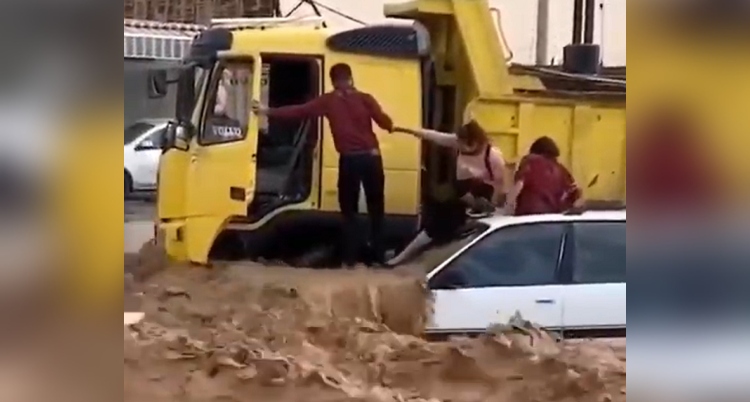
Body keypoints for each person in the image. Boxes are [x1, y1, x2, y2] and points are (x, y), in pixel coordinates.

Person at [252, 63, 394, 267]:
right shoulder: (365, 98)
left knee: (349, 212)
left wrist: (268, 111)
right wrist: (390, 125)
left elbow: (299, 111)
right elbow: (384, 122)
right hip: (372, 159)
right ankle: (379, 258)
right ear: (351, 78)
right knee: (377, 208)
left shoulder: (328, 101)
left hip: (350, 160)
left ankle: (350, 261)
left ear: (332, 80)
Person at [386, 120, 507, 266]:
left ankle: (405, 257)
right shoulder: (457, 142)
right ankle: (402, 257)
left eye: (465, 145)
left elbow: (500, 185)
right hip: (461, 192)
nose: (461, 148)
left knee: (445, 221)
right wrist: (402, 128)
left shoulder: (493, 156)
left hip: (481, 196)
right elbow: (432, 135)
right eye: (459, 143)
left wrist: (492, 207)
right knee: (436, 217)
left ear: (476, 142)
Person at [505, 136, 581, 215]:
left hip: (528, 217)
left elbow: (518, 186)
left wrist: (507, 208)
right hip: (551, 218)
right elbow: (575, 193)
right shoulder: (561, 169)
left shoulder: (530, 162)